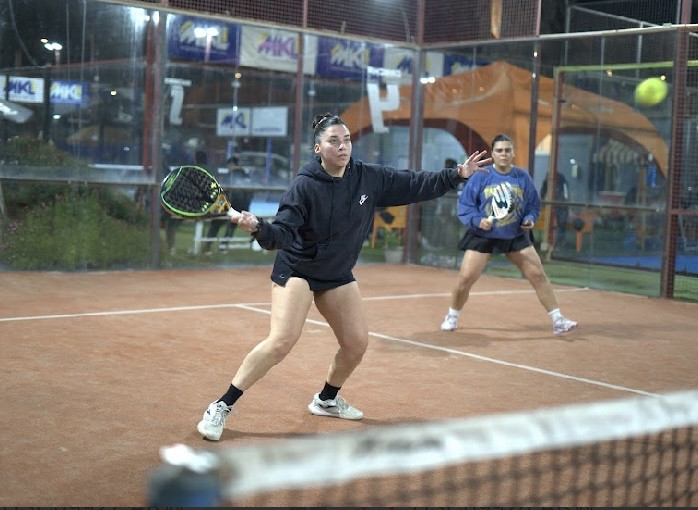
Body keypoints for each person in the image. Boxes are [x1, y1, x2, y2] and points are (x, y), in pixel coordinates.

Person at [196, 113, 492, 441]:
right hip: (298, 269)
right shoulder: (304, 186)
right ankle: (221, 405)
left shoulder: (367, 177)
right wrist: (258, 228)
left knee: (356, 344)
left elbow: (413, 183)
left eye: (347, 140)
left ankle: (326, 399)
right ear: (318, 148)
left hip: (336, 272)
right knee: (281, 341)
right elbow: (281, 235)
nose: (343, 147)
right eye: (334, 141)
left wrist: (456, 175)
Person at [439, 133, 577, 336]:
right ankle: (452, 315)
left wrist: (529, 219)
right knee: (465, 279)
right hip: (483, 235)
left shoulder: (522, 177)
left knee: (538, 275)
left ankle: (558, 320)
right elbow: (465, 206)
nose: (503, 154)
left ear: (513, 153)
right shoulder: (480, 176)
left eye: (507, 150)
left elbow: (533, 205)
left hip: (515, 234)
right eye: (499, 150)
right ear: (493, 154)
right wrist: (478, 220)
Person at [540, 168, 570, 249]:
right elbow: (543, 191)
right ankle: (552, 242)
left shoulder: (560, 178)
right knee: (555, 224)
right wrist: (543, 201)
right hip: (555, 204)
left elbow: (566, 192)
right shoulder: (548, 178)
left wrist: (565, 201)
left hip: (561, 204)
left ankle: (558, 243)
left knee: (561, 223)